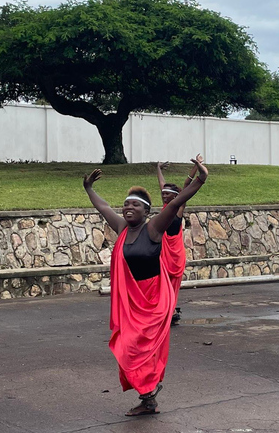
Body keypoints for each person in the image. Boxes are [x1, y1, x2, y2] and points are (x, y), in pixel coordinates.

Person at [83, 157, 207, 416]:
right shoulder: (121, 228)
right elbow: (103, 207)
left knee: (141, 351)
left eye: (135, 205)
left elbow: (175, 203)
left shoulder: (153, 229)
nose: (128, 207)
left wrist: (200, 179)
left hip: (152, 301)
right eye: (126, 204)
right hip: (131, 301)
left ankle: (148, 397)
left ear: (146, 211)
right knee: (127, 350)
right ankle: (149, 397)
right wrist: (89, 189)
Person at [156, 155, 202, 325]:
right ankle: (165, 311)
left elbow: (187, 186)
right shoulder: (165, 207)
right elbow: (162, 184)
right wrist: (158, 168)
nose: (164, 196)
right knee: (161, 284)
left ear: (175, 196)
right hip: (162, 254)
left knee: (172, 286)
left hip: (174, 255)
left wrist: (196, 167)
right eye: (162, 194)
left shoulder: (178, 207)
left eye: (167, 194)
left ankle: (171, 310)